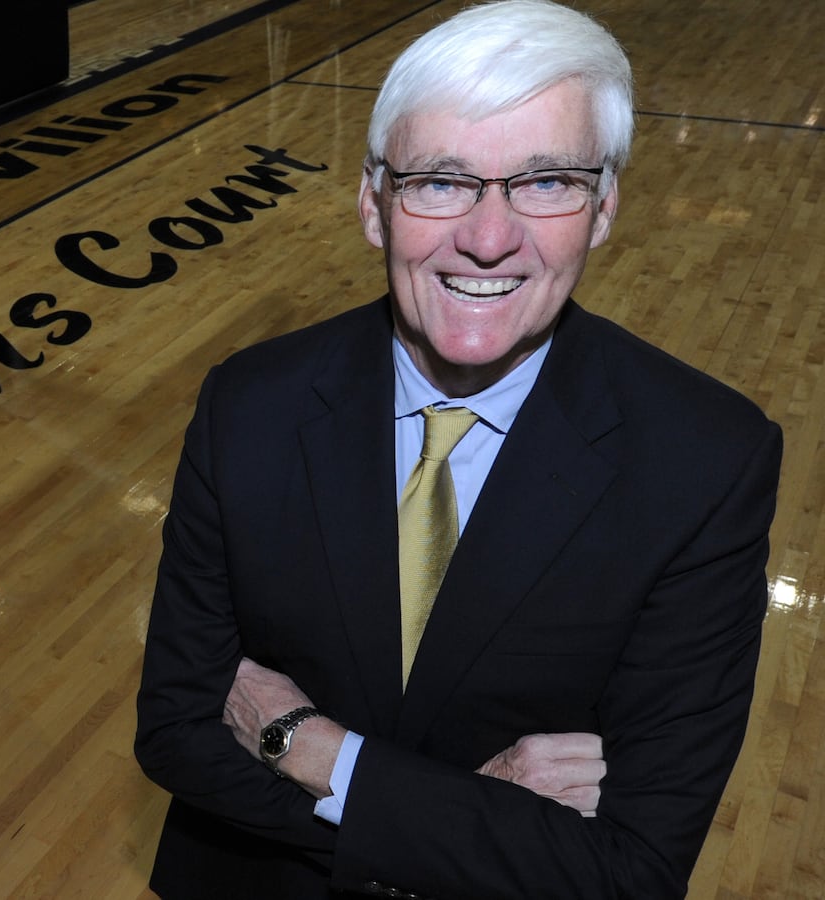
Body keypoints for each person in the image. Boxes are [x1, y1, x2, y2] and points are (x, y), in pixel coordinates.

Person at [132, 1, 784, 897]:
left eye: (546, 180)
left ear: (602, 210)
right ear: (373, 205)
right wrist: (471, 818)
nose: (487, 236)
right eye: (440, 181)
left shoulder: (710, 462)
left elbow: (633, 868)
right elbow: (175, 727)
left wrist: (313, 751)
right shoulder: (249, 405)